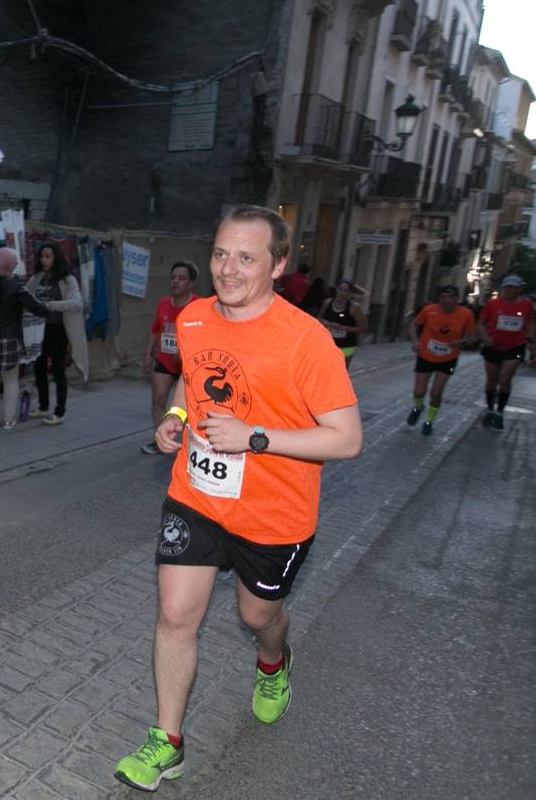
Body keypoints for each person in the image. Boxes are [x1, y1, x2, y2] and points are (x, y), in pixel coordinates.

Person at [114, 205, 361, 793]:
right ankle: (168, 742)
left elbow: (347, 438)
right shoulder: (196, 318)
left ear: (277, 265)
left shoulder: (306, 340)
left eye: (246, 257)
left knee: (257, 616)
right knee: (175, 616)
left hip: (274, 514)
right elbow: (190, 379)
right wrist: (175, 416)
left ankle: (273, 663)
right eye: (221, 253)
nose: (228, 268)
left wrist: (254, 438)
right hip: (197, 496)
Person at [0, 247, 51, 429]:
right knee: (11, 379)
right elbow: (38, 308)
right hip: (10, 337)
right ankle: (8, 419)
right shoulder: (15, 286)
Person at [25, 243, 87, 425]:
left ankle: (59, 412)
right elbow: (26, 295)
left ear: (56, 258)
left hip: (59, 329)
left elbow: (77, 303)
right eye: (42, 256)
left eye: (48, 256)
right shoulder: (37, 277)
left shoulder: (67, 279)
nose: (44, 260)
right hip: (39, 329)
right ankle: (43, 406)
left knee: (58, 370)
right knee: (39, 367)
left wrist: (52, 305)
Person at [142, 261, 198, 454]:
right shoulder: (163, 304)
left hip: (188, 365)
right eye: (173, 277)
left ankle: (190, 444)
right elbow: (155, 330)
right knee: (158, 400)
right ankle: (162, 441)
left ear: (190, 283)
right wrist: (148, 355)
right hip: (165, 360)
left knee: (189, 407)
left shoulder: (199, 306)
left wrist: (185, 354)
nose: (175, 282)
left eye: (181, 278)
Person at [408, 285, 475, 437]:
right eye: (443, 296)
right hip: (426, 355)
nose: (447, 300)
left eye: (450, 297)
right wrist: (415, 341)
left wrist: (462, 342)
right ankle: (418, 408)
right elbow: (413, 324)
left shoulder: (466, 314)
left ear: (457, 298)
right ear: (439, 298)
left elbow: (473, 337)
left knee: (436, 393)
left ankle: (429, 422)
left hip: (448, 357)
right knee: (419, 391)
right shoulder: (429, 310)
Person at [476, 274, 536, 429]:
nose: (509, 290)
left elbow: (530, 322)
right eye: (507, 286)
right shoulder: (492, 304)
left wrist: (531, 341)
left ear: (519, 289)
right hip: (493, 347)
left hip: (515, 347)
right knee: (491, 381)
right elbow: (481, 323)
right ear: (502, 287)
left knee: (505, 379)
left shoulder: (527, 305)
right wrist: (485, 337)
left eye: (513, 287)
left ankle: (499, 413)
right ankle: (490, 409)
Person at [316, 279, 368, 368]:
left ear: (349, 293)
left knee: (340, 371)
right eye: (340, 289)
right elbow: (319, 319)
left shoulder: (354, 307)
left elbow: (363, 327)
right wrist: (327, 323)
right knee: (324, 369)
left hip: (346, 345)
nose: (341, 292)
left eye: (345, 290)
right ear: (336, 289)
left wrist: (343, 328)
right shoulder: (328, 302)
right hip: (328, 343)